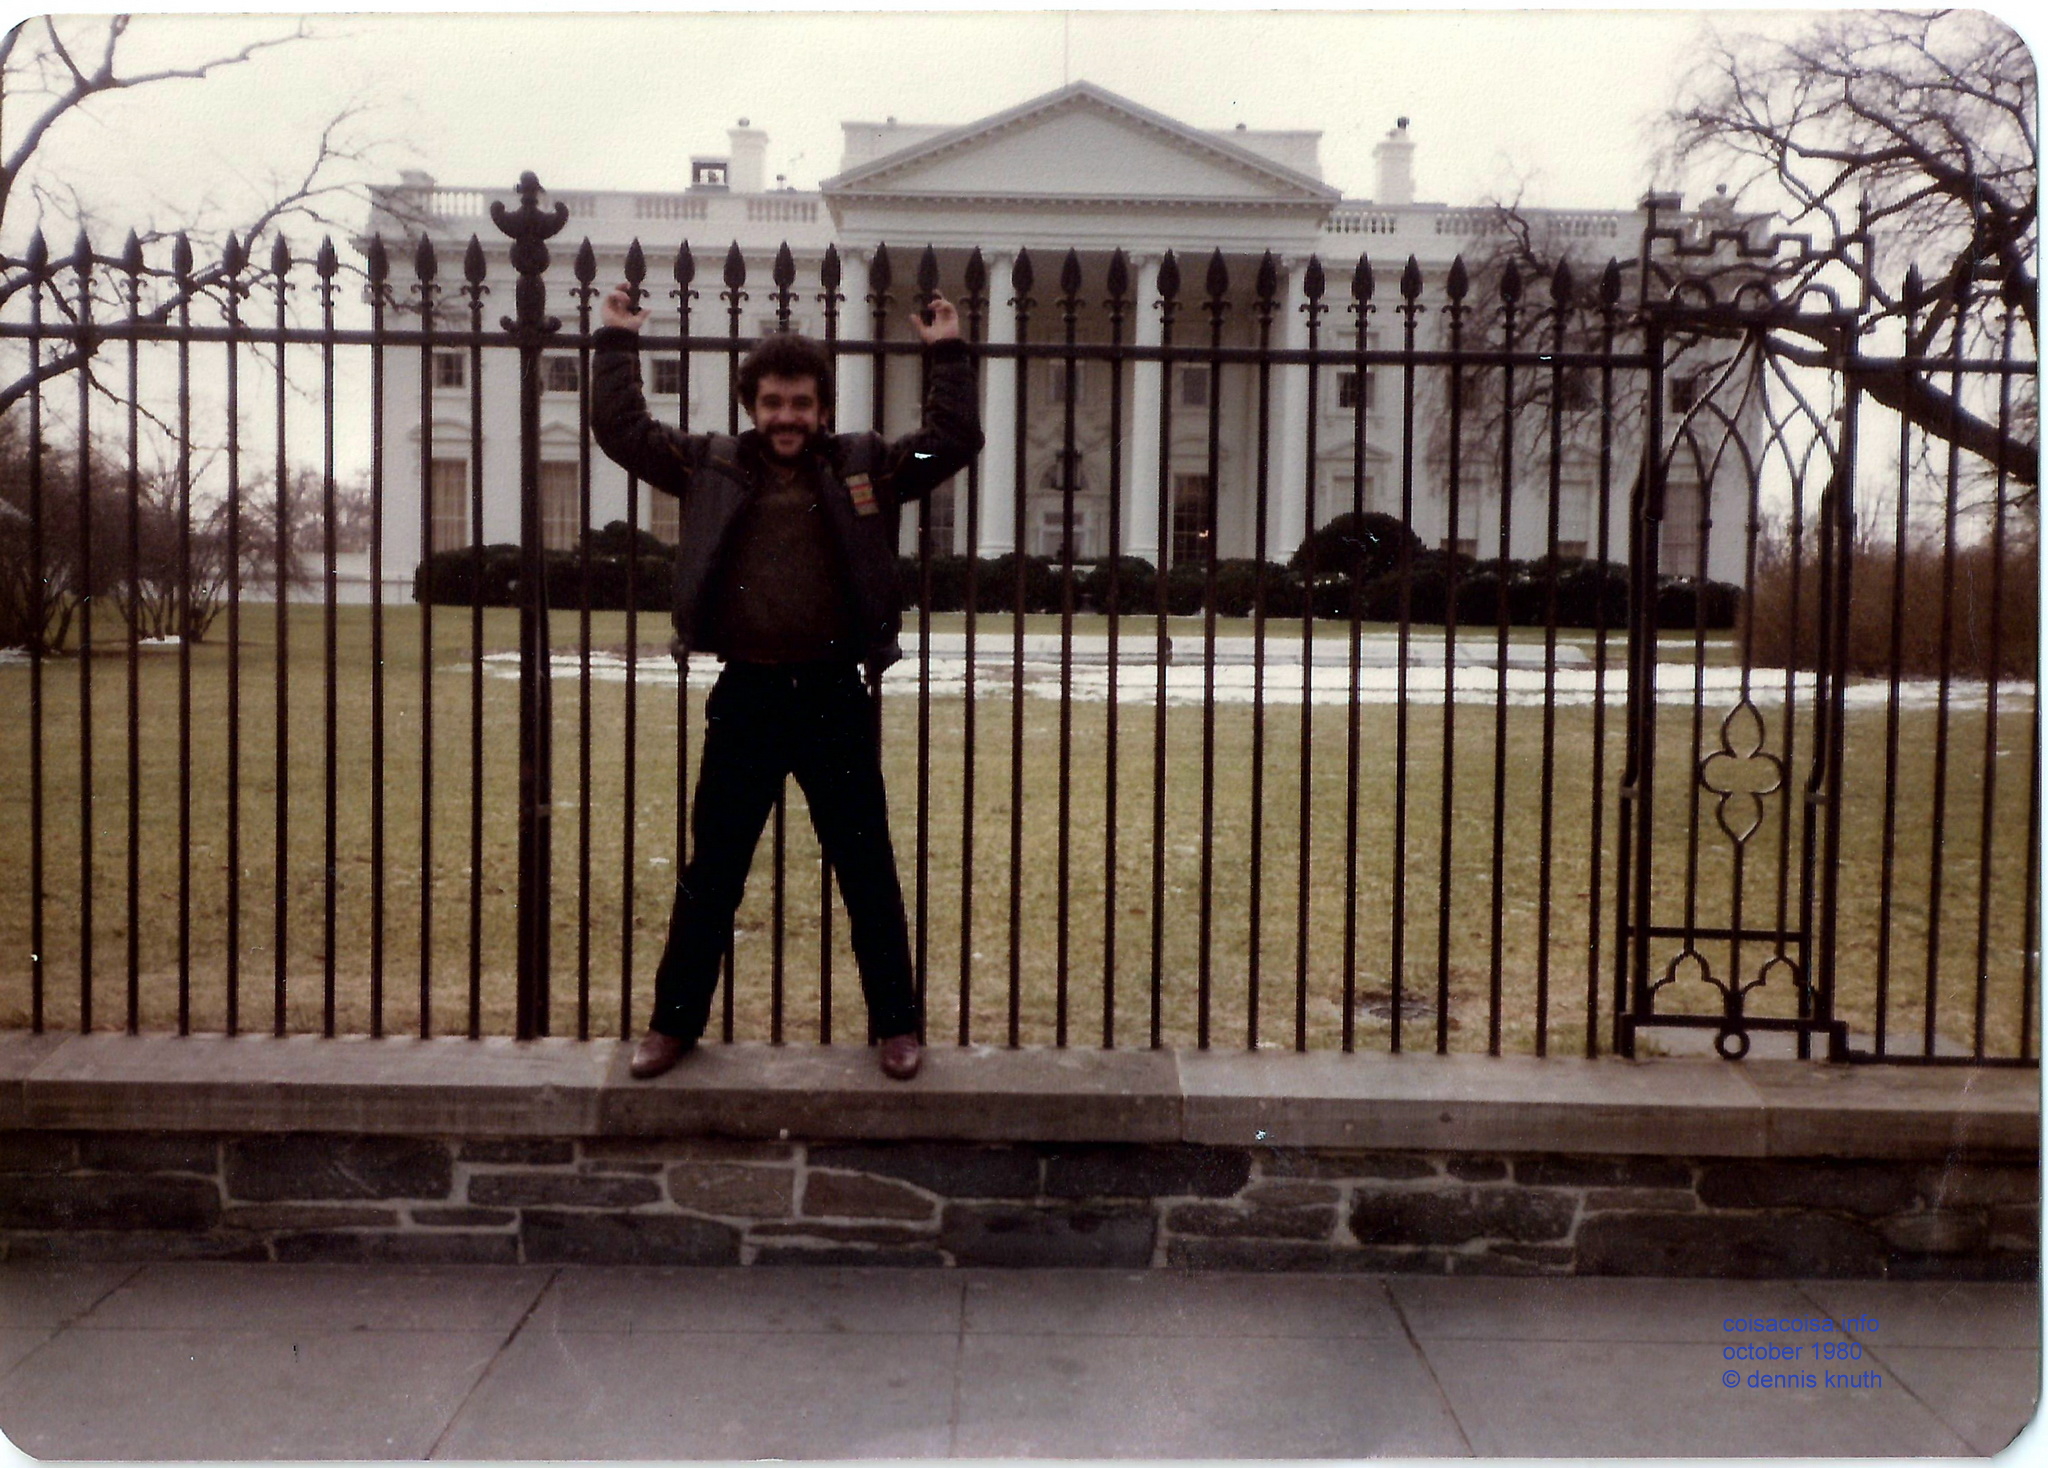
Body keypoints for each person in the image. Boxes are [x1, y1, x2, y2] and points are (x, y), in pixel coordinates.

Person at [590, 281, 982, 1081]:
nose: (786, 418)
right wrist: (618, 342)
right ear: (751, 405)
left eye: (802, 403)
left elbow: (954, 439)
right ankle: (672, 1025)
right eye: (772, 403)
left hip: (835, 697)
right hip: (749, 696)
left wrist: (947, 353)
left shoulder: (865, 465)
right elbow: (623, 431)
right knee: (714, 872)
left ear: (824, 409)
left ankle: (897, 1028)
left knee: (866, 865)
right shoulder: (713, 465)